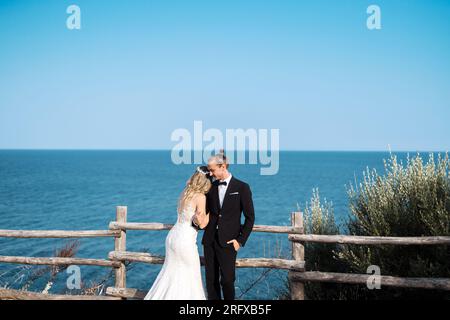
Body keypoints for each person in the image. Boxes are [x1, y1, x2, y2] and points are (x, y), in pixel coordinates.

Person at [193, 152, 255, 300]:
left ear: (223, 166)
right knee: (211, 281)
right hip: (209, 241)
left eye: (212, 169)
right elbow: (204, 214)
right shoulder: (210, 187)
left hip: (229, 242)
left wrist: (240, 240)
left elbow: (250, 218)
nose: (210, 173)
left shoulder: (242, 187)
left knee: (227, 281)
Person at [144, 166, 211, 300]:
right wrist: (213, 212)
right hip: (185, 239)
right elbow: (201, 223)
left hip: (173, 236)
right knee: (190, 276)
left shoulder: (185, 192)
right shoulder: (200, 197)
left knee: (171, 275)